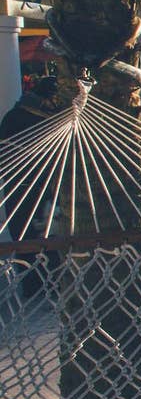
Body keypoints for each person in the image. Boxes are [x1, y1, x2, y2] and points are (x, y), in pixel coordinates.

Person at [0, 76, 61, 297]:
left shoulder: (12, 115)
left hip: (18, 185)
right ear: (49, 98)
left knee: (25, 234)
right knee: (46, 233)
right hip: (38, 185)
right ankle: (49, 286)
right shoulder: (44, 119)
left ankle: (32, 286)